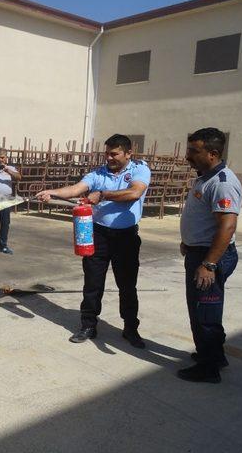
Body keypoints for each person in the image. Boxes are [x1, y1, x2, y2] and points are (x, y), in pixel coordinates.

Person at [36, 134, 151, 348]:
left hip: (126, 237)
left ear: (128, 153)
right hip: (98, 235)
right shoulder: (98, 173)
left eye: (114, 154)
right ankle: (88, 325)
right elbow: (76, 189)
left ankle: (130, 328)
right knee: (92, 283)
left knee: (127, 285)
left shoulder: (139, 169)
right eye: (107, 153)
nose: (109, 158)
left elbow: (135, 193)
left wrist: (103, 194)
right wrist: (52, 192)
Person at [178, 128, 242, 384]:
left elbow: (227, 226)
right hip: (199, 252)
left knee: (205, 312)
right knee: (201, 309)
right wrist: (188, 242)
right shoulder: (205, 177)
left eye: (194, 151)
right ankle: (214, 356)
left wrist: (208, 263)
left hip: (210, 257)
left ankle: (209, 368)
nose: (187, 156)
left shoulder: (222, 183)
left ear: (213, 154)